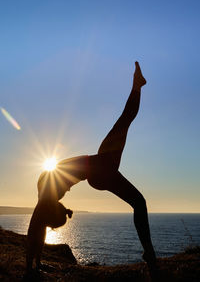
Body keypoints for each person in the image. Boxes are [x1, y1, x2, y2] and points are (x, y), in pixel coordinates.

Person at [36, 61, 156, 268]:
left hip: (100, 168)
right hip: (101, 168)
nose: (65, 197)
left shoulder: (46, 191)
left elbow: (36, 228)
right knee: (125, 120)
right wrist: (35, 264)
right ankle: (137, 85)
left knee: (139, 202)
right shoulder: (47, 189)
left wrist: (36, 264)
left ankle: (150, 254)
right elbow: (36, 228)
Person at [26, 171, 73, 272]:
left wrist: (64, 211)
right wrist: (64, 211)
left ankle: (37, 264)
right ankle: (30, 267)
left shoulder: (50, 189)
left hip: (41, 218)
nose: (68, 190)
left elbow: (53, 203)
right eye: (68, 186)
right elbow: (51, 202)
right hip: (40, 217)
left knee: (40, 239)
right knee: (34, 240)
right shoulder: (48, 190)